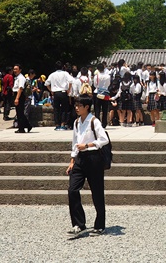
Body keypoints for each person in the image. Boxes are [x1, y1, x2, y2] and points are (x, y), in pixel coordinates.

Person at [66, 95, 109, 238]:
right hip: (80, 159)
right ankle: (79, 223)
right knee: (72, 189)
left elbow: (104, 139)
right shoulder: (77, 122)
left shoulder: (94, 121)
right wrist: (72, 160)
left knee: (97, 192)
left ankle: (100, 225)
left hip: (93, 158)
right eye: (76, 105)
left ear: (86, 107)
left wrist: (87, 145)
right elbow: (74, 141)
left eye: (79, 105)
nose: (76, 108)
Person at [46, 61, 73, 130]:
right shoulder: (65, 73)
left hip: (56, 93)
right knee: (64, 109)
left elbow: (46, 83)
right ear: (63, 67)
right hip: (63, 92)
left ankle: (57, 124)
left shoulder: (52, 74)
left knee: (56, 109)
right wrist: (69, 89)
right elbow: (71, 81)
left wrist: (51, 90)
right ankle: (63, 124)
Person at [12, 64, 33, 133]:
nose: (14, 70)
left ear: (20, 70)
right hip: (17, 94)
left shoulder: (21, 78)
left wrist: (17, 98)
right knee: (19, 112)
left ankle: (22, 128)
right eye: (14, 69)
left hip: (20, 95)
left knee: (20, 112)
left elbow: (20, 88)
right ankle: (27, 126)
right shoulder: (17, 77)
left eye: (16, 69)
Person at [93, 63, 112, 127]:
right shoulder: (108, 76)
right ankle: (104, 123)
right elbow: (108, 84)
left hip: (98, 92)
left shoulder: (96, 76)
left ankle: (97, 122)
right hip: (105, 93)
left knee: (97, 109)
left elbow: (95, 85)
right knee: (105, 109)